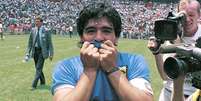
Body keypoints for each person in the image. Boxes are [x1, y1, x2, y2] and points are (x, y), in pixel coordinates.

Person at [51, 3, 153, 101]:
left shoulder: (134, 62)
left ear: (116, 37)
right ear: (82, 37)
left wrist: (112, 69)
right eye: (91, 31)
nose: (99, 38)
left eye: (106, 31)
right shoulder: (66, 67)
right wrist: (89, 70)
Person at [147, 0, 201, 101]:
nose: (187, 19)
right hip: (168, 93)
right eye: (183, 16)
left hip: (194, 95)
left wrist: (178, 44)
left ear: (199, 15)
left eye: (191, 15)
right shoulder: (171, 34)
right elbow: (165, 75)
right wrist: (156, 52)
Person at [25, 16, 54, 90]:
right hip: (35, 51)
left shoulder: (46, 31)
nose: (36, 23)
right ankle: (43, 81)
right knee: (38, 68)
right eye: (35, 21)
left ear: (41, 22)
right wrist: (27, 53)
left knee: (38, 68)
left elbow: (50, 44)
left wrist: (51, 54)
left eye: (38, 21)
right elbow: (30, 43)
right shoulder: (33, 30)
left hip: (42, 52)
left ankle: (33, 85)